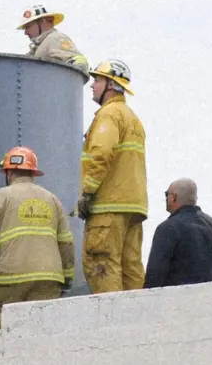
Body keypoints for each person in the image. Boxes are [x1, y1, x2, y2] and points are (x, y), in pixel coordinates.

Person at [0, 147, 74, 332]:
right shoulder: (52, 199)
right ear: (33, 172)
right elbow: (66, 242)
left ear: (8, 173)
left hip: (11, 276)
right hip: (48, 277)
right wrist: (67, 276)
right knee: (40, 328)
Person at [77, 59, 147, 293]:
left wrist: (87, 192)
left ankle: (111, 324)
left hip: (108, 206)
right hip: (132, 206)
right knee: (131, 270)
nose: (92, 84)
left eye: (97, 79)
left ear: (111, 85)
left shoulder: (109, 114)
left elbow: (102, 154)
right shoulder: (132, 117)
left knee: (102, 265)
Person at [143, 179, 212, 288]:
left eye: (167, 194)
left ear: (173, 197)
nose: (166, 198)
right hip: (205, 297)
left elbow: (155, 273)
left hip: (172, 299)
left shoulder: (168, 228)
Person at [16, 4, 88, 71]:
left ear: (41, 22)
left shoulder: (55, 38)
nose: (25, 33)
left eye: (28, 27)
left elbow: (78, 63)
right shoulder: (39, 46)